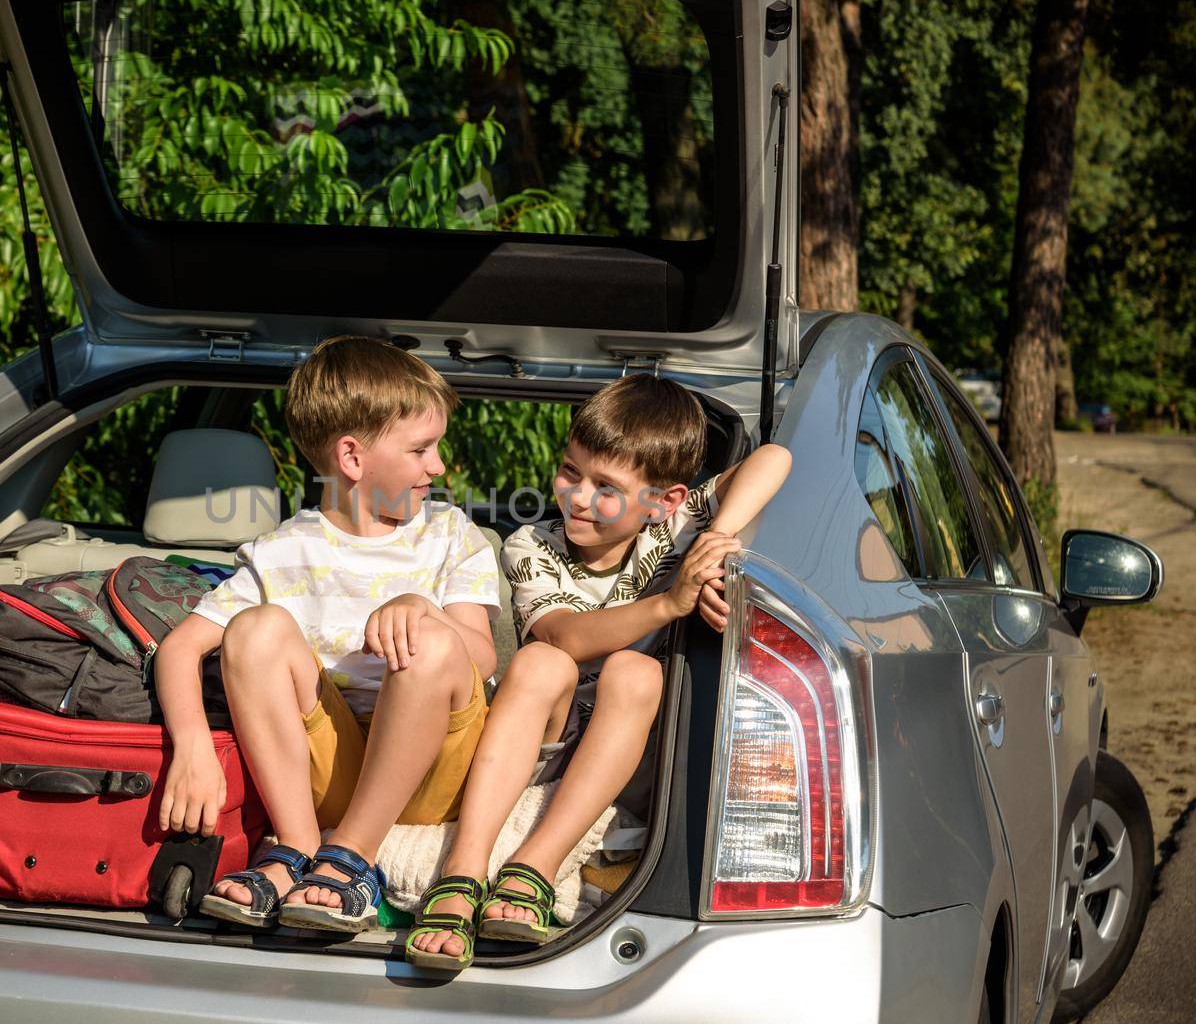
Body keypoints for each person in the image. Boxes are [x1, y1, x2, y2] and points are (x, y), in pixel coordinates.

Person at [405, 374, 792, 969]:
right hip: (546, 746)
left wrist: (714, 537)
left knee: (635, 674)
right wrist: (668, 603)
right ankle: (463, 870)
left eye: (606, 487)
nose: (578, 498)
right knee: (539, 660)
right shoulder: (531, 544)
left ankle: (533, 865)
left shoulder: (676, 526)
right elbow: (565, 636)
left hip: (633, 757)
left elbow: (774, 456)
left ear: (664, 500)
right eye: (570, 471)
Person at [152, 335, 500, 934]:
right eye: (421, 450)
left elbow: (482, 654)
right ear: (353, 457)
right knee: (254, 629)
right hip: (327, 776)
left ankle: (355, 857)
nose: (438, 467)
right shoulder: (280, 552)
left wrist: (424, 609)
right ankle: (295, 849)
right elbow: (181, 648)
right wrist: (192, 749)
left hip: (432, 776)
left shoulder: (451, 535)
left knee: (433, 642)